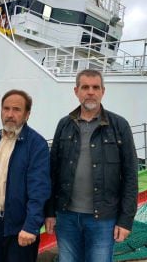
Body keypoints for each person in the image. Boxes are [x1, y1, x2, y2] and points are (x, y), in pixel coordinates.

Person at [45, 69, 138, 262]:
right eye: (85, 87)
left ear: (103, 91)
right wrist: (50, 212)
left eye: (95, 87)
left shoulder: (120, 126)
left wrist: (126, 220)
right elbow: (52, 172)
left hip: (103, 219)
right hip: (66, 216)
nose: (90, 92)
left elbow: (130, 176)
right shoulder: (64, 125)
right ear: (76, 91)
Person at [0, 89, 51, 262]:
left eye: (16, 109)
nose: (10, 114)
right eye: (6, 108)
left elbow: (39, 189)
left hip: (20, 225)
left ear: (27, 114)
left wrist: (31, 226)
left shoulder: (36, 144)